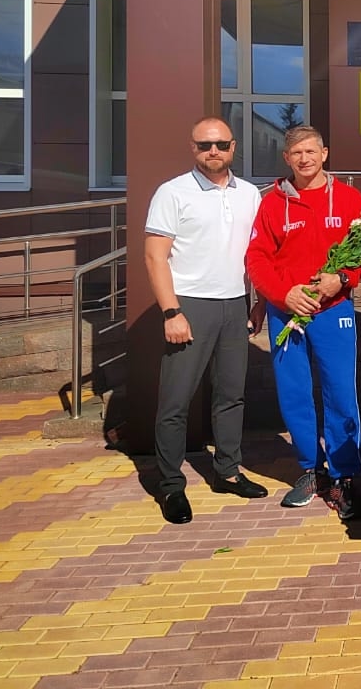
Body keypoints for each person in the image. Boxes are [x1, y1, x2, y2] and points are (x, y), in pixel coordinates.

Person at [246, 125, 361, 520]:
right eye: (296, 153)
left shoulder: (349, 198)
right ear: (287, 158)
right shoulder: (272, 204)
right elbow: (257, 259)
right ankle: (310, 469)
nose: (304, 159)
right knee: (294, 392)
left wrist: (343, 279)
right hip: (286, 311)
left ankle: (344, 475)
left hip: (334, 310)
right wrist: (282, 295)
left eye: (311, 151)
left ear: (325, 154)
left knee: (341, 392)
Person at [145, 116, 265, 525]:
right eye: (204, 145)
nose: (213, 151)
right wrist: (171, 311)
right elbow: (155, 256)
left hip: (235, 303)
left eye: (221, 144)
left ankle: (227, 471)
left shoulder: (249, 194)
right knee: (176, 400)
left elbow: (256, 254)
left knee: (231, 395)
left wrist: (257, 302)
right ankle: (170, 485)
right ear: (192, 148)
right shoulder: (172, 192)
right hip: (190, 305)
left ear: (233, 147)